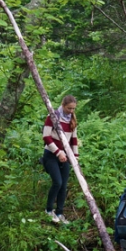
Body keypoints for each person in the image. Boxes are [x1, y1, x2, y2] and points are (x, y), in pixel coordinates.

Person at [42, 95, 79, 224]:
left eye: (74, 109)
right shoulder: (53, 117)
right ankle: (48, 210)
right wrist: (58, 152)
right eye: (69, 108)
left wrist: (75, 157)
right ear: (63, 106)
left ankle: (59, 213)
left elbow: (74, 140)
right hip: (51, 155)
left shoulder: (72, 120)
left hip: (65, 157)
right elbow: (46, 136)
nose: (71, 111)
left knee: (63, 185)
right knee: (57, 182)